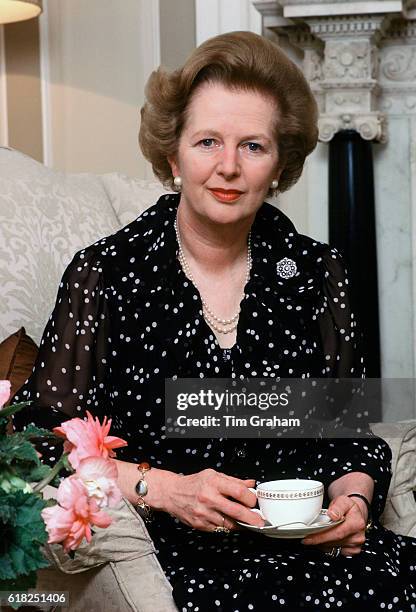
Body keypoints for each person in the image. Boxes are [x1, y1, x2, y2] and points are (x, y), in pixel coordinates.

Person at [14, 31, 415, 611]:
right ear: (173, 154)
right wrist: (164, 489)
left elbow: (344, 431)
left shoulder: (317, 272)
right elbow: (39, 445)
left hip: (307, 546)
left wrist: (353, 500)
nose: (228, 167)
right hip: (171, 553)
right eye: (207, 142)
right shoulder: (104, 274)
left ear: (279, 165)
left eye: (253, 146)